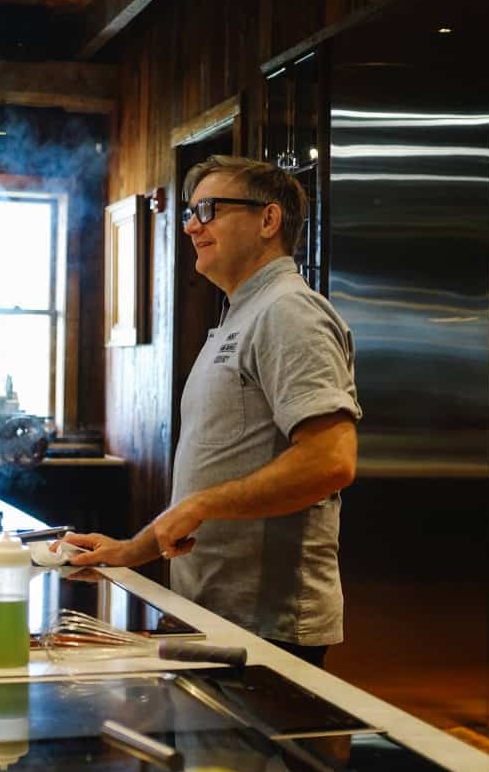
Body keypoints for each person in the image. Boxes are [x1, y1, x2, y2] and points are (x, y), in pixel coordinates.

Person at [61, 155, 361, 667]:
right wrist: (130, 550)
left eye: (209, 209)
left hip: (268, 623)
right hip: (216, 613)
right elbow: (219, 465)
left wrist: (201, 506)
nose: (192, 226)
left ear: (269, 221)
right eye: (189, 213)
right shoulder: (240, 314)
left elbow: (330, 461)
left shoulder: (288, 311)